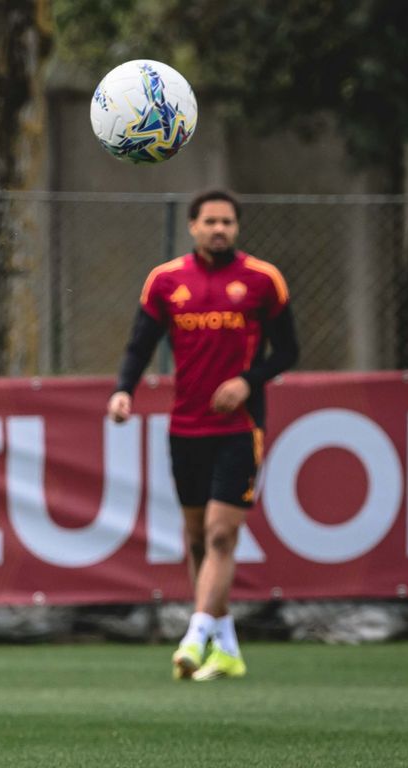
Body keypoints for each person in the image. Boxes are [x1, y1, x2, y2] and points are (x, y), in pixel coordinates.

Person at [107, 188, 298, 682]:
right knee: (195, 539)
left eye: (227, 222)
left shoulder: (262, 280)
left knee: (220, 533)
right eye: (210, 221)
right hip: (185, 425)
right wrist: (123, 391)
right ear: (193, 226)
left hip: (240, 426)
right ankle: (226, 644)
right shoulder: (166, 281)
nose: (219, 229)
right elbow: (139, 345)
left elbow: (288, 351)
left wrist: (246, 381)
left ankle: (194, 635)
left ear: (237, 228)